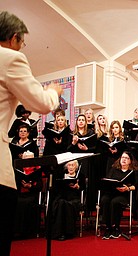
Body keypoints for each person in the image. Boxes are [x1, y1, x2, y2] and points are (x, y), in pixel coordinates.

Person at [0, 10, 62, 255]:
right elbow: (41, 104)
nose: (21, 47)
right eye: (22, 43)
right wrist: (54, 92)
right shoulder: (10, 58)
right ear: (14, 38)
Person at [100, 151, 138, 240]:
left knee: (115, 202)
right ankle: (108, 227)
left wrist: (128, 188)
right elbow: (108, 181)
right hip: (112, 192)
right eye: (123, 158)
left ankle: (116, 227)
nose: (124, 160)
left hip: (125, 194)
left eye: (126, 158)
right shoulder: (114, 169)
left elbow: (137, 185)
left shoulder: (133, 171)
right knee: (104, 200)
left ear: (130, 161)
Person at [51, 160, 86, 241]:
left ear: (76, 167)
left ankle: (68, 232)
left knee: (67, 204)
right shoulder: (61, 175)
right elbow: (55, 189)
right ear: (66, 166)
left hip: (74, 198)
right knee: (60, 203)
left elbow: (84, 189)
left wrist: (78, 187)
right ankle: (59, 233)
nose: (71, 167)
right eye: (69, 165)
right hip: (62, 197)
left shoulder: (80, 176)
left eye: (73, 165)